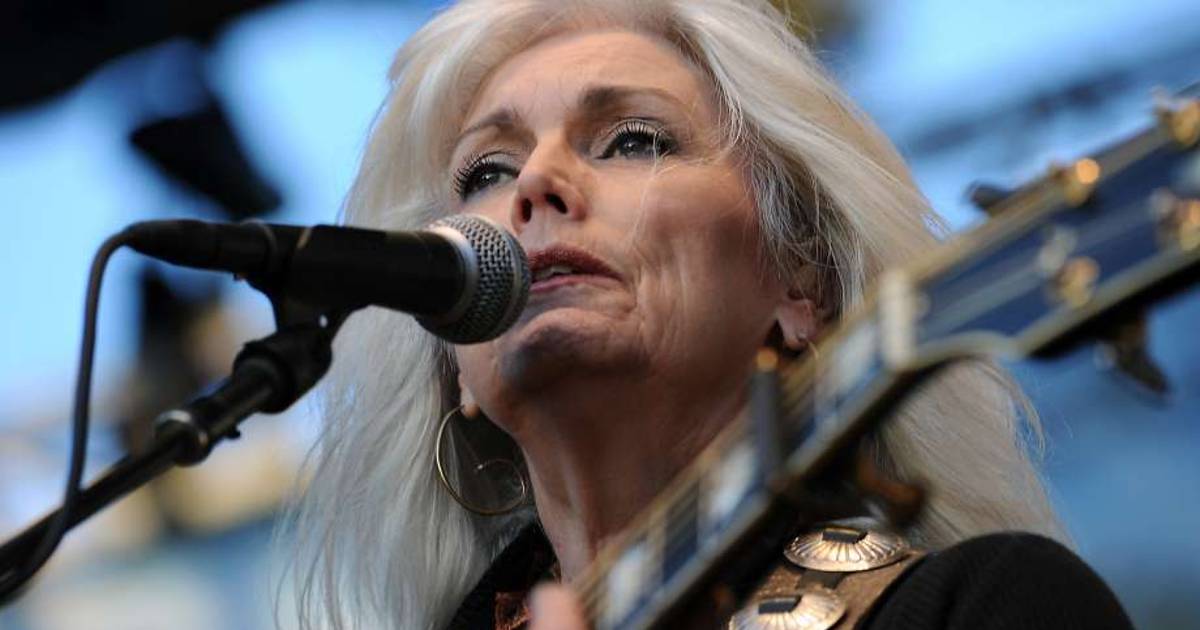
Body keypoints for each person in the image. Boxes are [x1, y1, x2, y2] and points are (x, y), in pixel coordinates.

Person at [284, 1, 1132, 628]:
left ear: (802, 285)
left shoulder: (985, 607)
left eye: (633, 141)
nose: (534, 184)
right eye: (486, 174)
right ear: (454, 356)